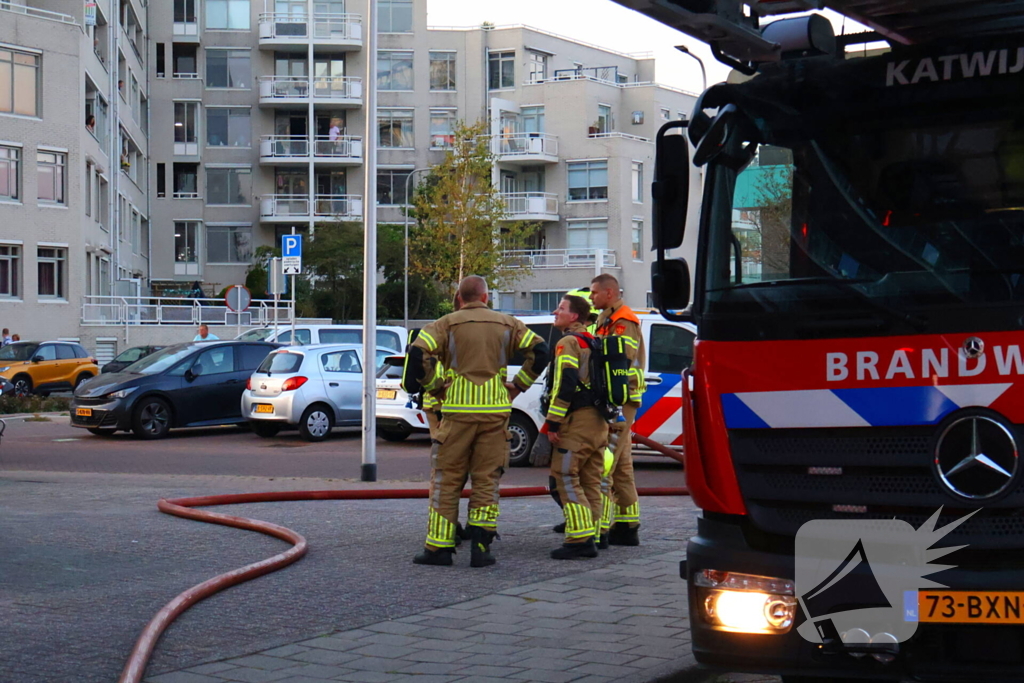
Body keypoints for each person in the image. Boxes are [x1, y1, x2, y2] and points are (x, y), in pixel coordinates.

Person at [403, 276, 548, 567]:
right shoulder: (508, 323)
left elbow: (418, 353)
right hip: (496, 412)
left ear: (460, 297)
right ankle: (481, 547)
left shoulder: (446, 324)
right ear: (486, 297)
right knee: (487, 479)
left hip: (457, 412)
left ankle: (439, 549)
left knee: (447, 479)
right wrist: (519, 384)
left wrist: (434, 386)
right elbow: (541, 350)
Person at [543, 294, 609, 560]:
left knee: (566, 477)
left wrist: (553, 421)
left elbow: (566, 383)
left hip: (578, 422)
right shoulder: (595, 341)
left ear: (574, 316)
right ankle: (596, 533)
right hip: (599, 422)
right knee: (591, 480)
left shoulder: (568, 342)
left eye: (560, 308)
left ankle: (580, 540)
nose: (555, 312)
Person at [591, 273, 646, 546]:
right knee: (622, 466)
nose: (591, 298)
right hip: (619, 398)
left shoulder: (623, 322)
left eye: (594, 293)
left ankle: (599, 529)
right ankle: (627, 525)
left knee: (604, 463)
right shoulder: (607, 319)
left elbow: (619, 360)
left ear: (609, 293)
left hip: (621, 399)